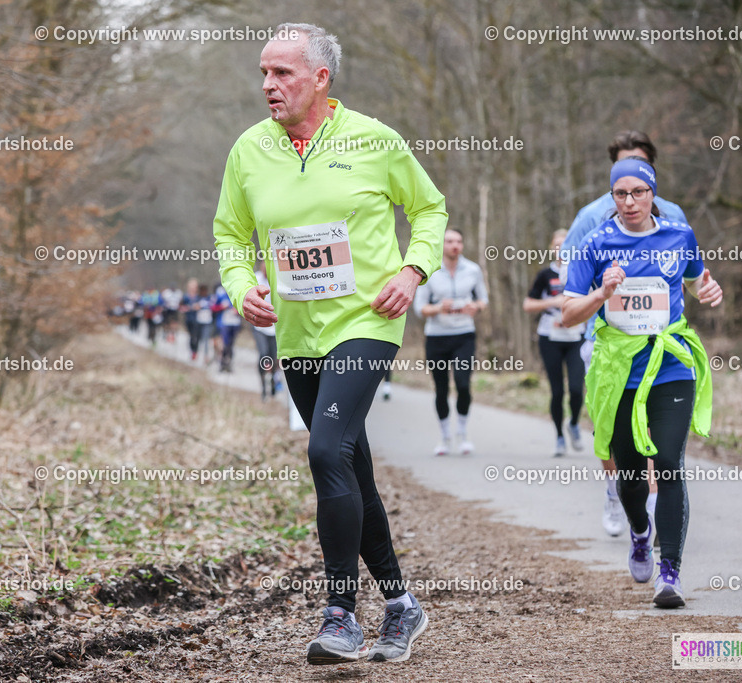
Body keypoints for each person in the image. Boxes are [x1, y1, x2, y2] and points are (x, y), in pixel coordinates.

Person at [213, 23, 445, 665]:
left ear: (321, 78)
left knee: (324, 449)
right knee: (349, 463)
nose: (267, 85)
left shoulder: (376, 139)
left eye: (282, 73)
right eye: (263, 73)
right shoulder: (248, 150)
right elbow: (230, 234)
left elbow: (429, 210)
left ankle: (340, 613)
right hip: (296, 330)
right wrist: (242, 286)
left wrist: (412, 270)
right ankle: (402, 605)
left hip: (367, 320)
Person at [562, 158, 722, 608]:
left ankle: (668, 573)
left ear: (653, 193)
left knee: (669, 463)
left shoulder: (678, 234)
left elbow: (697, 281)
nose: (630, 202)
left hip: (670, 363)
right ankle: (639, 530)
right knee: (631, 475)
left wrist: (710, 290)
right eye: (620, 194)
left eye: (638, 192)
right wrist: (601, 294)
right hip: (619, 371)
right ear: (611, 197)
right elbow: (568, 312)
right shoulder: (595, 243)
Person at [560, 131, 684, 537]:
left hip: (657, 339)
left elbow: (685, 274)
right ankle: (618, 491)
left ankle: (650, 507)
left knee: (653, 428)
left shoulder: (673, 215)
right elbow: (571, 279)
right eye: (624, 165)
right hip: (604, 338)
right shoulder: (590, 217)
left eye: (641, 165)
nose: (630, 195)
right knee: (615, 430)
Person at [413, 228, 488, 456]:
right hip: (436, 337)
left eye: (459, 241)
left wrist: (476, 307)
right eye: (450, 241)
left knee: (463, 384)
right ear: (442, 245)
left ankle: (462, 433)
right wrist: (438, 308)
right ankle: (445, 437)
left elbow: (483, 299)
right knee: (441, 388)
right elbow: (419, 308)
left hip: (464, 335)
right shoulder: (430, 271)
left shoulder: (473, 270)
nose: (455, 245)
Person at [523, 229, 586, 457]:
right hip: (549, 337)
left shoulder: (582, 271)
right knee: (557, 391)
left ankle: (574, 423)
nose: (562, 249)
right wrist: (554, 302)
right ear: (552, 248)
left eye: (567, 244)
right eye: (558, 245)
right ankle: (559, 436)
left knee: (577, 389)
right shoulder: (545, 274)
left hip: (576, 337)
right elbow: (528, 305)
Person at [251, 263, 281, 399]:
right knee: (263, 354)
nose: (265, 271)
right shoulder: (256, 278)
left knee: (274, 357)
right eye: (263, 268)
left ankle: (273, 382)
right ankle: (263, 385)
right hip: (259, 327)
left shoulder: (277, 279)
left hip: (274, 327)